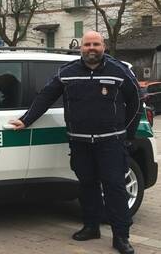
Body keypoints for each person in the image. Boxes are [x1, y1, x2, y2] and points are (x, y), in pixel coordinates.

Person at [9, 31, 140, 254]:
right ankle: (91, 226)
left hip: (110, 143)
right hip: (80, 143)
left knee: (115, 188)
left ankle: (121, 236)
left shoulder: (119, 71)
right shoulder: (67, 72)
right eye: (87, 44)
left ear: (103, 46)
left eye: (96, 44)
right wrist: (26, 120)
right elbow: (45, 96)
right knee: (86, 185)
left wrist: (126, 135)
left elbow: (135, 102)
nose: (91, 48)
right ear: (81, 47)